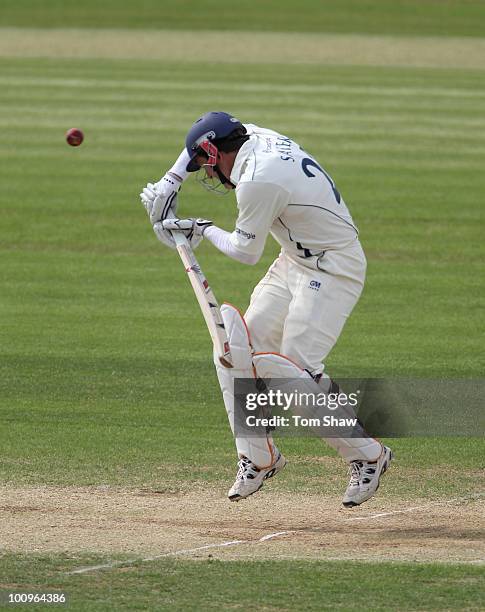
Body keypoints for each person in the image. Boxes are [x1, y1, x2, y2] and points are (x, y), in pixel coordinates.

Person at [140, 111, 392, 507]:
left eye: (207, 163)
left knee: (292, 370)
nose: (208, 172)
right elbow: (200, 139)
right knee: (235, 350)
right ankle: (258, 458)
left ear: (217, 152)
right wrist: (170, 181)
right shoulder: (250, 134)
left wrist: (200, 229)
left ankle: (367, 455)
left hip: (333, 267)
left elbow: (244, 251)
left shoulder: (257, 180)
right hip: (295, 259)